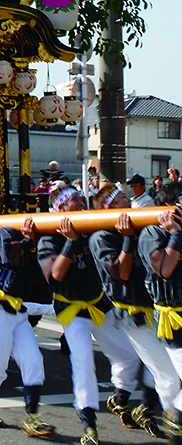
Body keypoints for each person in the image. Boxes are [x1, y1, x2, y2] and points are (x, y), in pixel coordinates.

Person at [37, 184, 143, 445]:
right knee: (84, 364)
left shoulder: (91, 228)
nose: (81, 202)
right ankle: (89, 425)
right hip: (72, 310)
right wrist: (71, 242)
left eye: (81, 198)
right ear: (60, 207)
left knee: (129, 356)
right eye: (74, 199)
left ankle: (119, 399)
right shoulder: (49, 237)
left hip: (98, 303)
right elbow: (56, 274)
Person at [89, 183, 179, 437]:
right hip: (133, 317)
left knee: (165, 371)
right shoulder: (101, 237)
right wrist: (128, 237)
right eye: (120, 200)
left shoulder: (139, 227)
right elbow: (122, 273)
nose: (127, 202)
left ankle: (150, 409)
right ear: (109, 209)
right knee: (166, 375)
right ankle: (175, 426)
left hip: (157, 311)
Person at [0, 219, 55, 436]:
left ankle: (32, 417)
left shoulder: (24, 240)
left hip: (16, 311)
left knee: (33, 359)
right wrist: (29, 240)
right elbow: (9, 257)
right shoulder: (4, 232)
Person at [139, 184, 182, 445]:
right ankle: (174, 415)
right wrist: (176, 233)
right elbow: (164, 268)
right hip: (172, 318)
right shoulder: (150, 233)